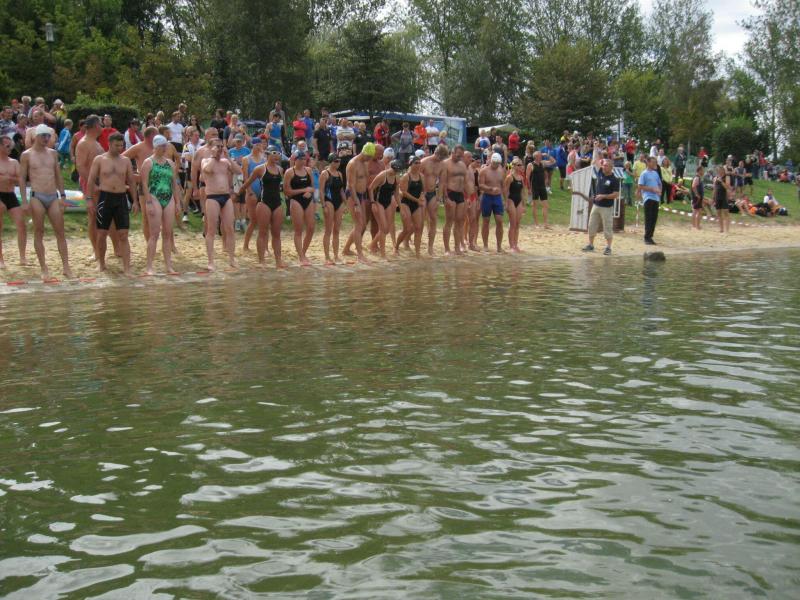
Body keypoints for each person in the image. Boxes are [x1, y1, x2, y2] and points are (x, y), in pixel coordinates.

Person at [86, 132, 138, 275]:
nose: (120, 148)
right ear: (109, 144)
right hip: (105, 197)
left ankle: (126, 267)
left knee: (123, 234)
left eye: (121, 145)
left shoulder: (126, 161)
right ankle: (101, 264)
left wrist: (135, 201)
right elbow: (91, 180)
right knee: (102, 233)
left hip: (121, 198)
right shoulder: (100, 159)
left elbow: (131, 181)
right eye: (117, 145)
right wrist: (89, 199)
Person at [77, 114, 119, 259]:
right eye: (100, 124)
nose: (102, 127)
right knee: (95, 218)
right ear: (95, 126)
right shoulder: (84, 143)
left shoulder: (94, 142)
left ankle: (117, 249)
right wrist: (93, 185)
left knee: (110, 216)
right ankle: (96, 251)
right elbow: (81, 167)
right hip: (93, 184)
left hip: (102, 183)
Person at [139, 135, 181, 275]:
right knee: (154, 234)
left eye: (165, 146)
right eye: (162, 146)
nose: (165, 148)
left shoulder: (170, 163)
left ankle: (168, 266)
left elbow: (174, 184)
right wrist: (148, 202)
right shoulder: (148, 162)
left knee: (168, 233)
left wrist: (178, 202)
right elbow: (144, 184)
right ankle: (149, 266)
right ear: (156, 147)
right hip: (154, 197)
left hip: (168, 197)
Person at [241, 145, 286, 268]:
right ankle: (261, 261)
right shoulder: (260, 169)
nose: (276, 156)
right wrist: (240, 193)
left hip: (277, 202)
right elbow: (247, 182)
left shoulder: (280, 169)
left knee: (276, 233)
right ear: (268, 154)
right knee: (263, 232)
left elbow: (282, 187)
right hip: (264, 202)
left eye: (278, 154)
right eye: (274, 153)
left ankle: (278, 260)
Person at [200, 137, 240, 271]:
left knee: (230, 228)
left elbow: (238, 171)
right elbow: (208, 170)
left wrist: (228, 157)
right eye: (217, 146)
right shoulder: (206, 161)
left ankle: (232, 259)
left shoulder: (225, 162)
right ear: (210, 148)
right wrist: (213, 156)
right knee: (211, 229)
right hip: (212, 197)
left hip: (226, 196)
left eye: (221, 146)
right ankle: (210, 261)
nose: (220, 149)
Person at [123, 125, 159, 241]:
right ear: (151, 136)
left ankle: (168, 242)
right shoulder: (138, 147)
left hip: (160, 184)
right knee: (146, 215)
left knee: (163, 215)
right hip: (145, 184)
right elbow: (121, 159)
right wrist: (132, 175)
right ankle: (149, 242)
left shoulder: (159, 147)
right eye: (157, 134)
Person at [283, 150, 316, 266]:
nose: (303, 161)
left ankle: (303, 253)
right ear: (295, 160)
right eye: (301, 159)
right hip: (296, 201)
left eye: (304, 159)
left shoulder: (308, 170)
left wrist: (309, 192)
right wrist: (303, 190)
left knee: (311, 228)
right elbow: (286, 192)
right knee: (299, 230)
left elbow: (312, 187)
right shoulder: (289, 172)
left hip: (308, 200)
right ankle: (301, 257)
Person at [581, 159, 619, 255]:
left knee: (607, 227)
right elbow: (595, 160)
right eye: (603, 165)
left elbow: (616, 194)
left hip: (607, 208)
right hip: (596, 205)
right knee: (591, 225)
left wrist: (603, 196)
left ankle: (608, 248)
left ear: (611, 167)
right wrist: (598, 150)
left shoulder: (614, 179)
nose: (603, 167)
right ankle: (591, 245)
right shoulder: (600, 173)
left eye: (606, 166)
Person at [344, 142, 374, 263]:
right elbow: (351, 186)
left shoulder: (364, 163)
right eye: (369, 157)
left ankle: (346, 249)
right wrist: (356, 203)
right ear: (364, 153)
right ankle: (360, 255)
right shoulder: (353, 164)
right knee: (359, 224)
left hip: (361, 195)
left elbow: (365, 180)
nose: (370, 159)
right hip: (353, 196)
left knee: (363, 224)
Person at [0, 136, 27, 269]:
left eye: (11, 146)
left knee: (21, 224)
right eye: (7, 146)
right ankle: (1, 259)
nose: (10, 148)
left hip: (10, 194)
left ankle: (22, 257)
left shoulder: (14, 162)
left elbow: (20, 179)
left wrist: (8, 178)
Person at [440, 144, 468, 255]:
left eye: (461, 155)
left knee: (459, 221)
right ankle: (447, 249)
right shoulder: (445, 164)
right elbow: (443, 182)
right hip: (450, 193)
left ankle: (457, 247)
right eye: (458, 155)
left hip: (460, 194)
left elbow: (465, 181)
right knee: (449, 221)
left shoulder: (462, 164)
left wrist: (467, 196)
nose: (460, 157)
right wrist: (446, 197)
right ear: (452, 153)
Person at [368, 159, 400, 258]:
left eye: (397, 171)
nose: (394, 172)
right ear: (390, 167)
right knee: (383, 228)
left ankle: (372, 245)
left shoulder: (396, 177)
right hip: (379, 202)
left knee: (387, 229)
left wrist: (400, 205)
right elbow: (371, 188)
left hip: (389, 202)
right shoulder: (382, 175)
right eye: (394, 170)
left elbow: (396, 193)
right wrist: (372, 203)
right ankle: (383, 253)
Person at [318, 152, 346, 264]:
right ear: (331, 162)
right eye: (336, 161)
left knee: (337, 230)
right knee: (328, 230)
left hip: (339, 202)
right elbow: (321, 191)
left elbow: (341, 190)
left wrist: (346, 203)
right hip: (329, 201)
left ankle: (336, 256)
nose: (338, 163)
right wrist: (323, 205)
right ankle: (327, 257)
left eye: (339, 161)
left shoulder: (339, 174)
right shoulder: (325, 173)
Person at [421, 145, 448, 255]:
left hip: (432, 193)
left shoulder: (442, 165)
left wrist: (439, 198)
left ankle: (430, 247)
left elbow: (442, 182)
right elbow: (416, 177)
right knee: (419, 220)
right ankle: (409, 241)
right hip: (422, 193)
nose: (440, 160)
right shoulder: (424, 162)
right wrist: (420, 194)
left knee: (433, 219)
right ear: (436, 153)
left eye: (442, 159)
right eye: (440, 158)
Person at [396, 155, 425, 257]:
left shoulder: (421, 176)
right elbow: (404, 192)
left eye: (419, 163)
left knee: (418, 228)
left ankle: (417, 252)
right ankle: (396, 247)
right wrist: (417, 200)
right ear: (411, 164)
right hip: (406, 203)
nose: (418, 165)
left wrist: (421, 197)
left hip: (416, 204)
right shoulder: (406, 176)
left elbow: (423, 190)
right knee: (407, 228)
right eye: (416, 163)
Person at [241, 137, 265, 251]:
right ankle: (246, 244)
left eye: (260, 144)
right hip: (252, 191)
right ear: (253, 145)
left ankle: (265, 247)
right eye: (257, 145)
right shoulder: (246, 159)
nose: (259, 146)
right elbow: (245, 177)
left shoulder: (264, 158)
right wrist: (249, 191)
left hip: (263, 191)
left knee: (264, 221)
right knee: (253, 220)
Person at [480, 153, 506, 252]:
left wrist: (505, 199)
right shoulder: (484, 171)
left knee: (499, 221)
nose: (496, 165)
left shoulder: (501, 171)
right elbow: (481, 185)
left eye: (497, 163)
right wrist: (490, 189)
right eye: (494, 163)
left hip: (497, 198)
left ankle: (499, 246)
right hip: (487, 197)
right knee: (486, 221)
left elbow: (503, 186)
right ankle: (485, 245)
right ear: (491, 161)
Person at [228, 134, 251, 232]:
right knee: (236, 200)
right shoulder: (231, 151)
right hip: (234, 177)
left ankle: (243, 220)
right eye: (237, 141)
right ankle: (237, 220)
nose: (238, 143)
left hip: (244, 176)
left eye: (240, 141)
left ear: (243, 141)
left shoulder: (247, 150)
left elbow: (249, 164)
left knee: (244, 200)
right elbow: (228, 165)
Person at [526, 150, 555, 227]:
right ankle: (536, 224)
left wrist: (547, 155)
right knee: (535, 205)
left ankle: (545, 223)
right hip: (534, 187)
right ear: (536, 157)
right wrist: (529, 188)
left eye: (541, 155)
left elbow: (553, 161)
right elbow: (527, 177)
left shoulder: (543, 163)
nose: (541, 156)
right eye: (540, 155)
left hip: (542, 187)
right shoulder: (530, 165)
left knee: (545, 205)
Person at [503, 157, 525, 253]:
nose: (521, 167)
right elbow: (505, 190)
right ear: (514, 166)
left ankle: (515, 244)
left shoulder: (521, 178)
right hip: (511, 200)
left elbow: (522, 192)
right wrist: (506, 202)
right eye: (519, 165)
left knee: (517, 223)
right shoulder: (510, 177)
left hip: (518, 200)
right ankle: (511, 245)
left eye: (521, 165)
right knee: (512, 223)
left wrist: (523, 204)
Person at [638, 156, 662, 245]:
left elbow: (659, 184)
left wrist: (659, 191)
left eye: (655, 162)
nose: (655, 164)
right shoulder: (644, 173)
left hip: (656, 198)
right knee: (649, 218)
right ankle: (647, 237)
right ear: (648, 163)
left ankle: (650, 236)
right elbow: (640, 186)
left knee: (654, 218)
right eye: (653, 162)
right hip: (648, 198)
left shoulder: (656, 173)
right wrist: (652, 189)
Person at [465, 151, 481, 250]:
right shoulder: (465, 169)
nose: (478, 164)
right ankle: (463, 241)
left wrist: (477, 198)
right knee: (462, 220)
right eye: (476, 162)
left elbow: (475, 186)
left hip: (473, 195)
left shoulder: (475, 171)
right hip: (465, 195)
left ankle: (471, 243)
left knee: (473, 219)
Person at [713, 165, 733, 233]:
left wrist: (721, 181)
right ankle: (721, 229)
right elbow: (714, 188)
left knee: (726, 213)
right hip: (717, 197)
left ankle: (727, 230)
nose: (719, 171)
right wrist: (713, 198)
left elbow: (727, 187)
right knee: (718, 213)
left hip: (724, 196)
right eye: (718, 170)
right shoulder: (715, 178)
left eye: (720, 170)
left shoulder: (727, 177)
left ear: (723, 170)